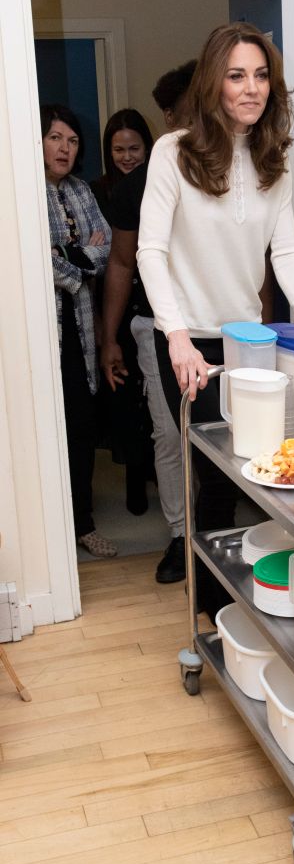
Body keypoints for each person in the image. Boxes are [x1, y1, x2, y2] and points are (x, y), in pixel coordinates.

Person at [137, 23, 294, 619]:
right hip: (189, 341)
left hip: (248, 341)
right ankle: (212, 613)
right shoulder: (175, 152)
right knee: (209, 475)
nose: (251, 88)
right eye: (237, 75)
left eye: (261, 75)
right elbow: (150, 251)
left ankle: (246, 598)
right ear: (214, 80)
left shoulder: (273, 160)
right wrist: (177, 337)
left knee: (253, 470)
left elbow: (285, 251)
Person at [100, 63, 197, 584]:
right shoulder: (135, 185)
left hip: (226, 326)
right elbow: (120, 262)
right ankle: (183, 535)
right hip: (151, 326)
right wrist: (108, 337)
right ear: (169, 114)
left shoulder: (239, 171)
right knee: (169, 433)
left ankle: (218, 532)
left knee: (225, 432)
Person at [41, 103, 116, 558]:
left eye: (71, 140)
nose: (64, 147)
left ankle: (83, 522)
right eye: (55, 138)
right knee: (47, 426)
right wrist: (76, 260)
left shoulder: (82, 191)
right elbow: (33, 254)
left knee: (81, 425)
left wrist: (68, 254)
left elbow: (104, 244)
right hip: (45, 326)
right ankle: (51, 527)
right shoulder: (21, 190)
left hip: (82, 326)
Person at [92, 109, 156, 517]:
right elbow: (103, 255)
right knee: (125, 396)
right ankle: (135, 476)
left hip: (150, 306)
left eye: (135, 148)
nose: (127, 157)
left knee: (156, 403)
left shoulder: (158, 186)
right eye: (119, 149)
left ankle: (153, 469)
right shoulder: (95, 191)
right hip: (113, 304)